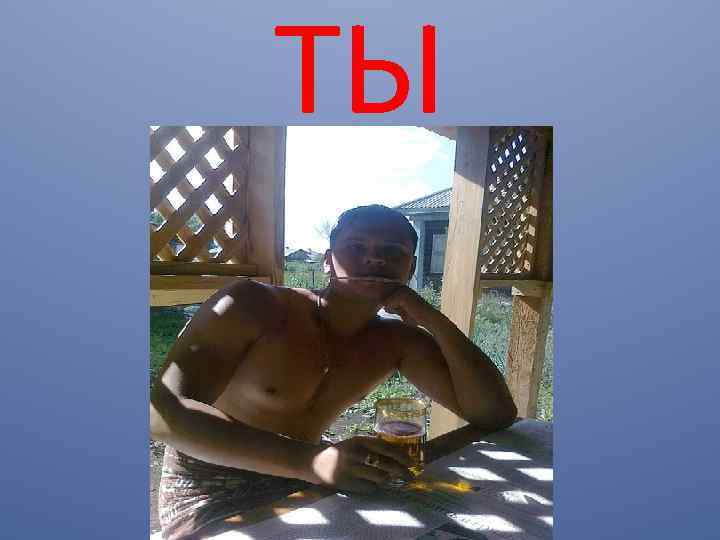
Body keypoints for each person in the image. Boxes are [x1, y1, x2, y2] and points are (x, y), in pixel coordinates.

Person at [150, 204, 517, 539]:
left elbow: (495, 413)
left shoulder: (397, 341)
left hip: (308, 485)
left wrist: (432, 318)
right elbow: (161, 413)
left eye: (393, 251)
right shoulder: (253, 305)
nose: (374, 258)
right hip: (211, 490)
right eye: (356, 247)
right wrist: (313, 461)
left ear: (411, 267)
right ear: (328, 261)